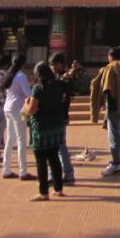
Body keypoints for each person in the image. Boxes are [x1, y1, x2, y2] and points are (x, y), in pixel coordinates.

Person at [23, 61, 67, 202]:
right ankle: (58, 188)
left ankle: (43, 192)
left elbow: (32, 109)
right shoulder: (58, 85)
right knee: (54, 158)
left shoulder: (38, 88)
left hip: (42, 127)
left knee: (41, 161)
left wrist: (26, 103)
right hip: (56, 125)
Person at [98, 46, 120, 176]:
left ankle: (115, 163)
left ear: (111, 56)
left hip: (114, 108)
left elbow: (107, 89)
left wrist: (105, 104)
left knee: (114, 138)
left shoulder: (111, 68)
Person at [1, 53, 35, 181]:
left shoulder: (9, 75)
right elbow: (28, 94)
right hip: (18, 109)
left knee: (10, 139)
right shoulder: (21, 76)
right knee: (21, 140)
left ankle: (6, 169)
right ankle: (23, 171)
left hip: (8, 108)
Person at [48, 52, 75, 185]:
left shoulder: (65, 79)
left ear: (60, 64)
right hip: (55, 115)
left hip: (59, 115)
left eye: (54, 64)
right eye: (51, 65)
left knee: (58, 145)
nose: (52, 67)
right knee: (57, 145)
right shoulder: (56, 78)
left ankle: (65, 172)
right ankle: (60, 172)